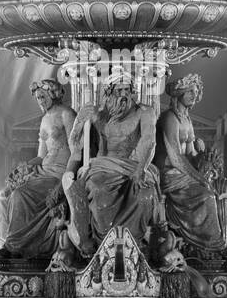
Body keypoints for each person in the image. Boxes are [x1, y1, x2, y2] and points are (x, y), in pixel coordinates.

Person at [64, 74, 160, 250]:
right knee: (99, 191)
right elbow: (74, 143)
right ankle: (104, 245)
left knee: (144, 196)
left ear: (133, 92)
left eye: (127, 90)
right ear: (108, 94)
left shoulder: (145, 112)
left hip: (135, 165)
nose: (124, 95)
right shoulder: (99, 116)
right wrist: (79, 121)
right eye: (119, 90)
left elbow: (149, 141)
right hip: (102, 167)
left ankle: (133, 245)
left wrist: (140, 170)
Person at [0, 79, 75, 260]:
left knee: (20, 195)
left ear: (53, 94)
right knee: (7, 193)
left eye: (43, 96)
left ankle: (14, 247)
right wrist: (23, 169)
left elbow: (77, 150)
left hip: (59, 173)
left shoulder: (67, 114)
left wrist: (67, 179)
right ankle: (16, 243)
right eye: (38, 98)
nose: (40, 101)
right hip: (43, 171)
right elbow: (41, 154)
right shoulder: (45, 119)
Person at [155, 74, 224, 251]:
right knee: (206, 195)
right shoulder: (170, 118)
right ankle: (206, 244)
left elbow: (190, 153)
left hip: (183, 172)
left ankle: (209, 243)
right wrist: (200, 178)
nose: (194, 95)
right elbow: (176, 157)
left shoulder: (187, 119)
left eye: (196, 91)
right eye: (189, 92)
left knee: (211, 191)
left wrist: (201, 155)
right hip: (169, 174)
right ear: (179, 94)